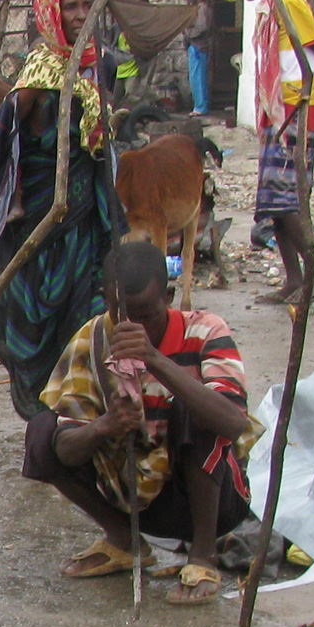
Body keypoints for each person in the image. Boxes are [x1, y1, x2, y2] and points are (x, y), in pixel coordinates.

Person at [23, 241, 255, 606]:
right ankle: (125, 541)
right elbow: (63, 450)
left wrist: (155, 360)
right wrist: (105, 425)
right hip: (130, 497)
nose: (132, 326)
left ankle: (203, 556)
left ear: (169, 295)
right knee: (42, 429)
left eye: (146, 314)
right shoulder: (92, 339)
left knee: (195, 410)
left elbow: (232, 423)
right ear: (106, 300)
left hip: (206, 499)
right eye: (121, 313)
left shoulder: (206, 330)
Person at [0, 0, 120, 418]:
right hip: (42, 220)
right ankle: (43, 417)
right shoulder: (39, 74)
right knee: (35, 319)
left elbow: (102, 145)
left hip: (86, 219)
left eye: (85, 5)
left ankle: (80, 414)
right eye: (69, 6)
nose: (80, 15)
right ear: (50, 12)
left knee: (90, 317)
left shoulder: (101, 65)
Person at [248, 0, 314, 309]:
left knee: (291, 199)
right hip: (276, 110)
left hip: (298, 110)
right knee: (275, 200)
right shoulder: (268, 7)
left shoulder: (288, 2)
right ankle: (293, 279)